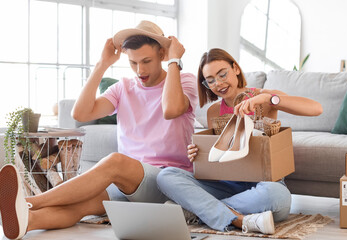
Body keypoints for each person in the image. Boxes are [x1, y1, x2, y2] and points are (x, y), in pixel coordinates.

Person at [0, 20, 198, 240]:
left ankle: (30, 202)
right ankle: (27, 220)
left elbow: (171, 109)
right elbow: (80, 114)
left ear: (162, 54)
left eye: (146, 61)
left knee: (115, 161)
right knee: (81, 205)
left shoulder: (184, 80)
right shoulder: (123, 88)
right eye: (133, 63)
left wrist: (174, 61)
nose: (140, 70)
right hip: (125, 183)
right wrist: (102, 63)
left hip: (167, 181)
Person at [157, 48, 323, 234]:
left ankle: (199, 211)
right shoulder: (213, 112)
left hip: (263, 185)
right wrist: (198, 154)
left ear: (235, 68)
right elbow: (218, 158)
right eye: (210, 80)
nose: (218, 83)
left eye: (222, 74)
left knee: (277, 196)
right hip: (227, 186)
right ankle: (237, 218)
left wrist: (268, 98)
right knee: (166, 175)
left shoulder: (265, 97)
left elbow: (316, 109)